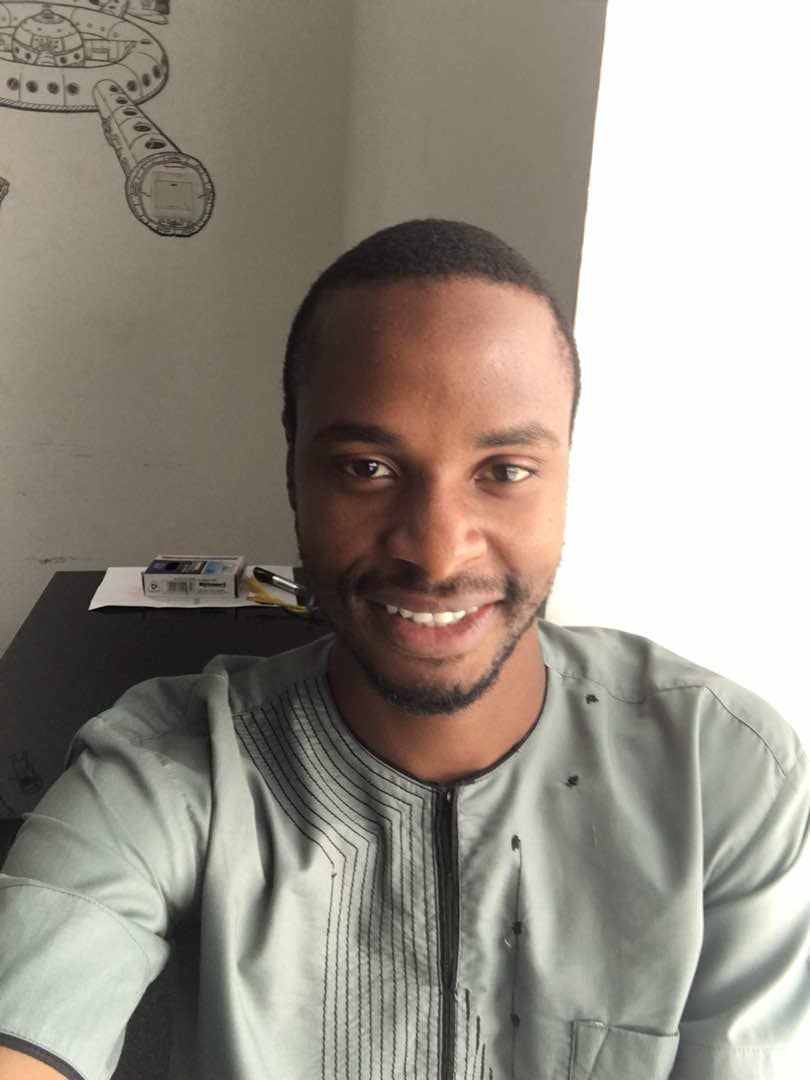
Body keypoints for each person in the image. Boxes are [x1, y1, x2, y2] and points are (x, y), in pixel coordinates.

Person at [0, 219, 807, 1080]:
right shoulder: (173, 768)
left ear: (567, 475)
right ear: (293, 473)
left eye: (505, 471)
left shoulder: (720, 771)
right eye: (367, 468)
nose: (437, 551)